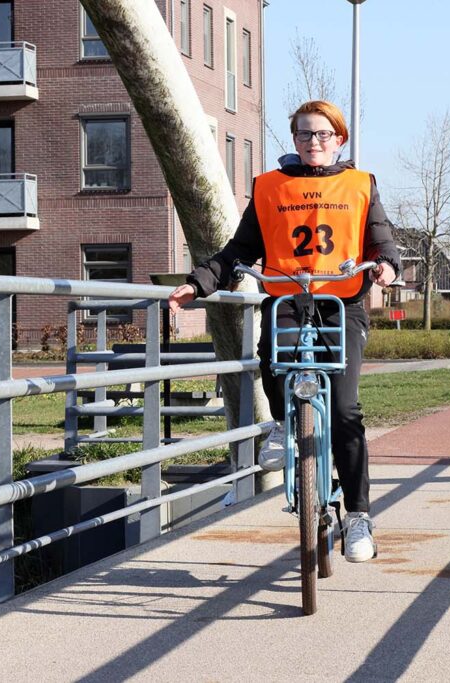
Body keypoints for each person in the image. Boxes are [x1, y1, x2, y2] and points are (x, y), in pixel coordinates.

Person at [168, 100, 400, 563]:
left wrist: (388, 267)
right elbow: (238, 250)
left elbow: (381, 238)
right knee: (272, 360)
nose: (313, 143)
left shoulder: (360, 185)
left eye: (323, 135)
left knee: (345, 409)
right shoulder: (269, 188)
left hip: (342, 302)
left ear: (339, 139)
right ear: (293, 139)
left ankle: (357, 517)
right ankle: (280, 424)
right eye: (304, 134)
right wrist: (199, 283)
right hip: (286, 296)